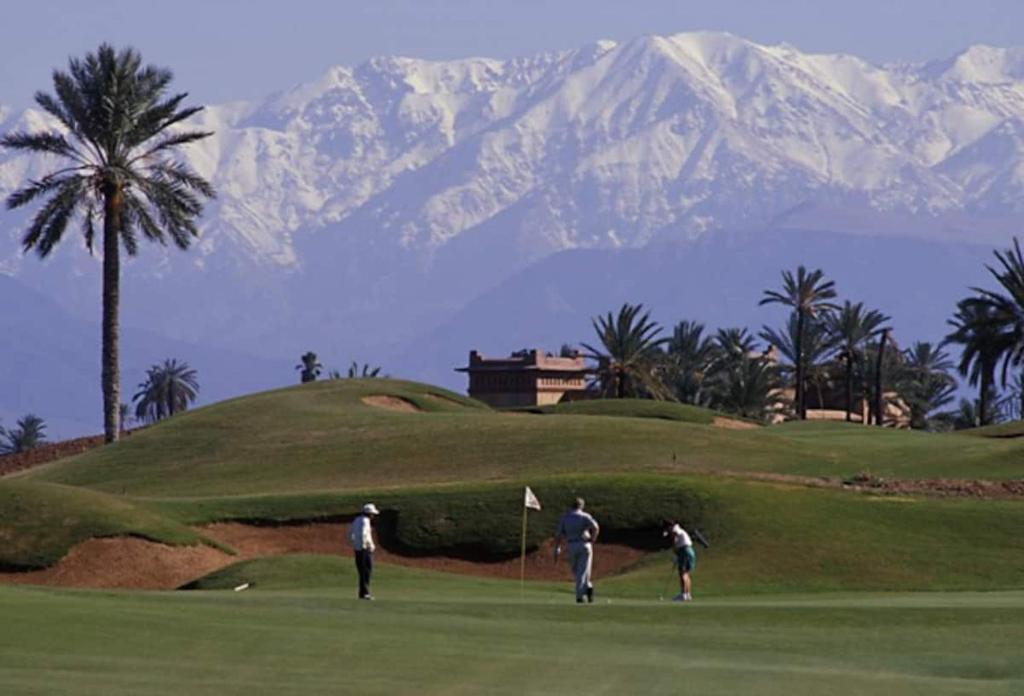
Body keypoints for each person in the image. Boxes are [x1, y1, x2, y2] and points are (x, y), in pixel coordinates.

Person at [554, 497, 600, 603]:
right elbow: (596, 527)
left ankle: (579, 596)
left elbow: (559, 534)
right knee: (580, 571)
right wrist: (593, 539)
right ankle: (588, 588)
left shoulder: (565, 517)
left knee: (579, 571)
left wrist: (557, 546)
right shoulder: (584, 516)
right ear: (581, 506)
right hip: (584, 544)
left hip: (572, 545)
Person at [348, 503, 379, 600]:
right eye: (372, 514)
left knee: (362, 571)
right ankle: (365, 593)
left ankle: (362, 593)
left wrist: (354, 544)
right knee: (366, 571)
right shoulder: (365, 521)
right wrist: (366, 545)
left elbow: (350, 534)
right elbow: (364, 534)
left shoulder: (356, 520)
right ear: (369, 513)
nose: (373, 515)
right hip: (364, 549)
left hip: (358, 549)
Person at [663, 519, 696, 602]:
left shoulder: (675, 530)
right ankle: (688, 594)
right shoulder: (680, 529)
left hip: (684, 551)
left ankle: (683, 595)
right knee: (686, 573)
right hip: (690, 551)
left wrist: (676, 551)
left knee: (682, 573)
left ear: (670, 526)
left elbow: (674, 538)